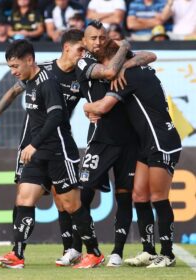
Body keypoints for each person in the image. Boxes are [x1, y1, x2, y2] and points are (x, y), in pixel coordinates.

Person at [0, 39, 104, 269]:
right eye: (10, 67)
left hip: (58, 151)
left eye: (15, 66)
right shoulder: (28, 81)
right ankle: (17, 255)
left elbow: (56, 116)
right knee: (23, 199)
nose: (13, 72)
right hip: (37, 153)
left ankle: (94, 252)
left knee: (71, 205)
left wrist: (35, 144)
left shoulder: (47, 83)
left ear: (29, 60)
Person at [82, 40, 182, 268]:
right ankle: (149, 250)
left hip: (161, 141)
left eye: (103, 64)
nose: (104, 71)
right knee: (139, 196)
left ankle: (167, 254)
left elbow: (101, 108)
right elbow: (148, 55)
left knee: (159, 198)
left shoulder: (127, 76)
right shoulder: (133, 67)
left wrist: (85, 107)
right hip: (145, 143)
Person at [76, 20, 157, 267]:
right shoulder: (84, 62)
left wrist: (127, 61)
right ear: (84, 42)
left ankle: (117, 252)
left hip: (130, 140)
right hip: (100, 139)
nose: (98, 42)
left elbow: (151, 54)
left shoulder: (118, 55)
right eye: (93, 38)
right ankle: (90, 250)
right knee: (83, 195)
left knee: (125, 197)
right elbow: (110, 72)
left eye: (102, 37)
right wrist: (124, 48)